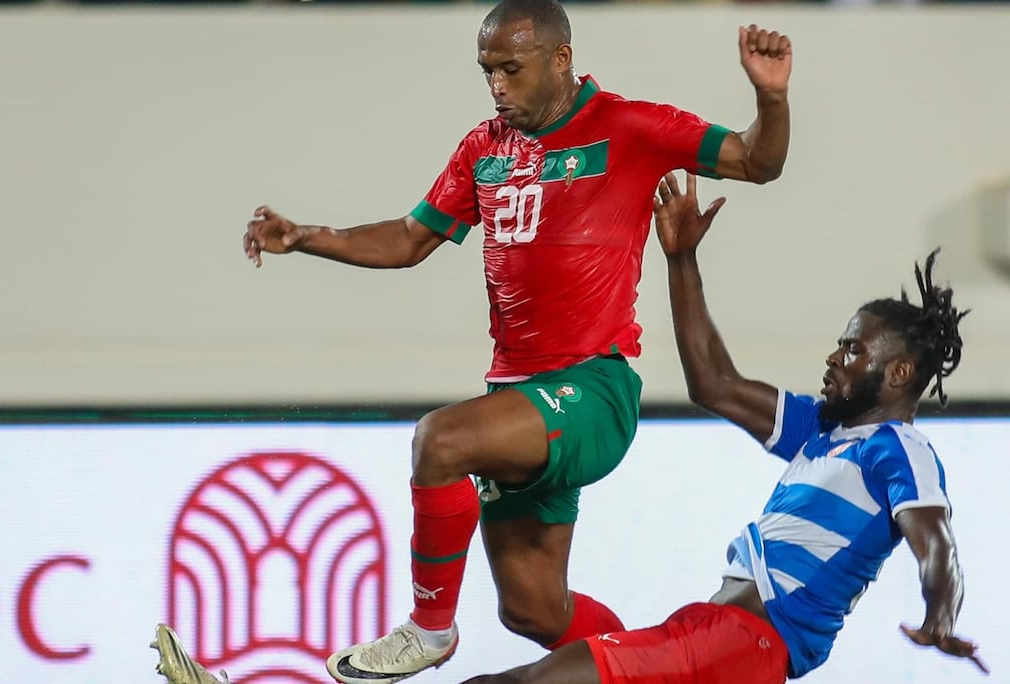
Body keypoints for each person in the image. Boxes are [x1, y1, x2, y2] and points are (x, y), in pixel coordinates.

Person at [227, 2, 792, 683]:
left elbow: (758, 161)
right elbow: (409, 239)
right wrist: (306, 237)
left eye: (511, 69)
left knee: (441, 441)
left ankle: (428, 631)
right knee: (533, 610)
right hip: (518, 394)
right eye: (487, 70)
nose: (497, 86)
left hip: (591, 391)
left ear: (561, 59)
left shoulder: (629, 126)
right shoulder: (484, 148)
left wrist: (771, 97)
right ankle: (652, 671)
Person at [446, 171, 986, 683]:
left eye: (852, 349)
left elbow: (936, 543)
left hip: (741, 643)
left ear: (899, 373)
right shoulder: (821, 430)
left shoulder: (898, 448)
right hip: (713, 633)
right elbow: (713, 383)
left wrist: (940, 616)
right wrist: (682, 259)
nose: (833, 358)